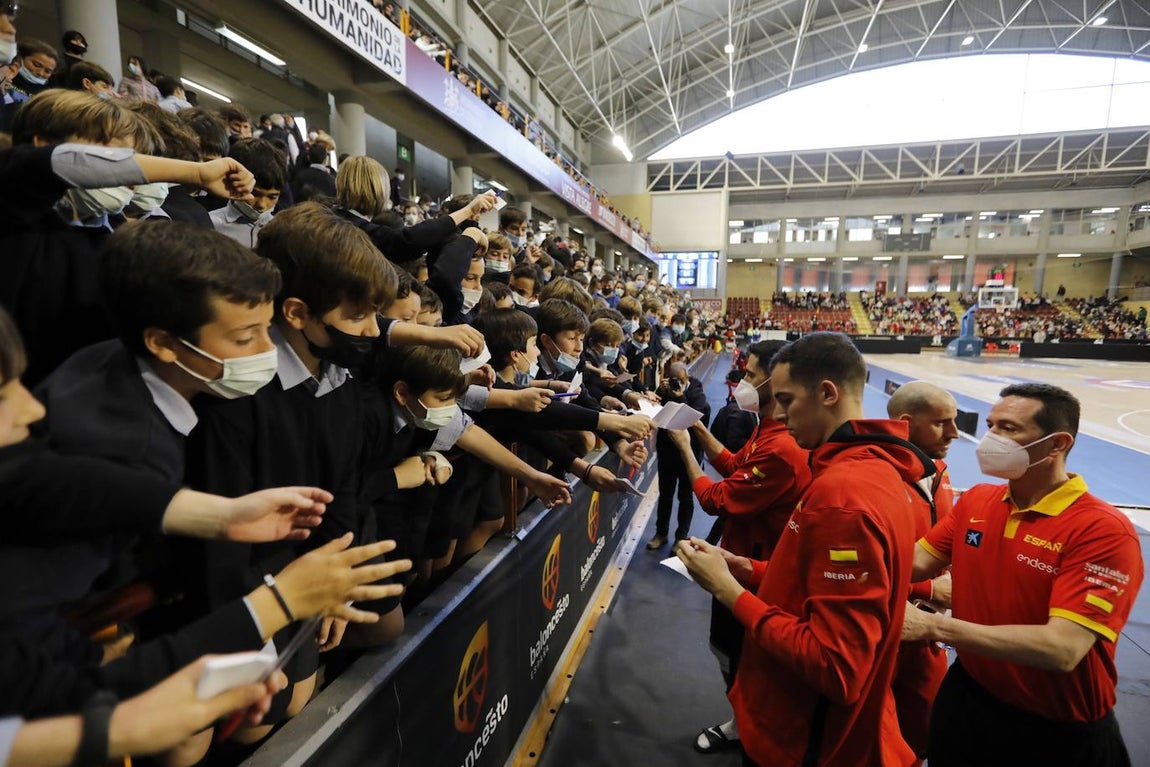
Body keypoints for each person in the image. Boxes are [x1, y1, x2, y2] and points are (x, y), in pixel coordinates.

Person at [676, 332, 930, 767]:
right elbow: (809, 584)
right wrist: (752, 572)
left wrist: (729, 592)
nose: (780, 414)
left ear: (827, 393)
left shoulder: (843, 497)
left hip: (802, 739)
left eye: (788, 400)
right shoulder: (873, 471)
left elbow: (837, 668)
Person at [903, 383, 1143, 767]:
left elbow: (1062, 649)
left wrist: (935, 628)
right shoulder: (978, 500)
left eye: (1009, 429)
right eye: (991, 425)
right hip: (968, 696)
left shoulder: (1101, 529)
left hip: (1054, 730)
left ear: (1056, 444)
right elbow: (912, 561)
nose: (990, 438)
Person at [665, 339, 810, 754]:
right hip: (739, 556)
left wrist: (683, 449)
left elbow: (717, 498)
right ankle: (744, 721)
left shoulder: (784, 446)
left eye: (749, 375)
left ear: (776, 380)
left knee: (745, 655)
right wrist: (696, 428)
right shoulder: (768, 428)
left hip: (757, 569)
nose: (741, 382)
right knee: (728, 649)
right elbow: (733, 465)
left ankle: (752, 729)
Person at [885, 381, 959, 761]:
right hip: (884, 629)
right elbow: (864, 565)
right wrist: (931, 589)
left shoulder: (940, 471)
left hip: (927, 635)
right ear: (905, 423)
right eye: (942, 423)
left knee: (925, 728)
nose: (955, 433)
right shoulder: (874, 478)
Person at [646, 361, 710, 550]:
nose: (677, 384)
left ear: (687, 378)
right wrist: (657, 392)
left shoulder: (698, 395)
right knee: (665, 495)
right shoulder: (664, 389)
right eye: (673, 380)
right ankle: (661, 534)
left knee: (686, 497)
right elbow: (654, 407)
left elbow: (693, 419)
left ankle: (681, 538)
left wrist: (680, 397)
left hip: (689, 454)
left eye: (680, 380)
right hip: (667, 451)